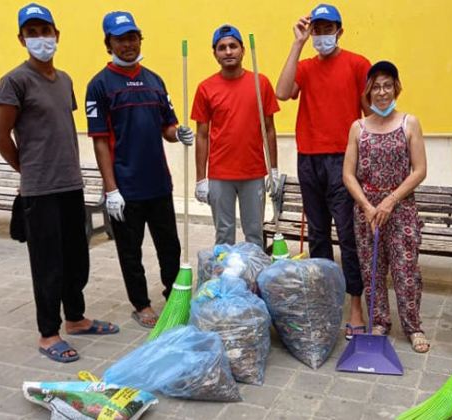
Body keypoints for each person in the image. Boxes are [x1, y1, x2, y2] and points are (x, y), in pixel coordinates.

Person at [0, 3, 119, 363]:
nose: (40, 38)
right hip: (40, 190)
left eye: (45, 31)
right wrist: (26, 170)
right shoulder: (14, 81)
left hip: (70, 184)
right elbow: (0, 135)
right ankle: (49, 333)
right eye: (32, 33)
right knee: (48, 264)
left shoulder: (64, 80)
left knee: (76, 258)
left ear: (56, 35)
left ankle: (76, 319)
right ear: (22, 38)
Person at [85, 11, 194, 328]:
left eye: (133, 37)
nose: (128, 44)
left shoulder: (155, 80)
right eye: (120, 38)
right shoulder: (100, 85)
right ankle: (141, 304)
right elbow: (101, 142)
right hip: (125, 188)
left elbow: (168, 127)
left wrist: (179, 133)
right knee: (130, 252)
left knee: (170, 247)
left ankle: (175, 295)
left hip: (159, 183)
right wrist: (111, 189)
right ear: (109, 43)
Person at [276, 3, 370, 339]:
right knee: (317, 234)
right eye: (317, 29)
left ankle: (356, 305)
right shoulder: (304, 66)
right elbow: (282, 92)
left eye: (328, 29)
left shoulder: (358, 64)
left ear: (340, 31)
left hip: (343, 159)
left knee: (348, 236)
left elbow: (370, 113)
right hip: (309, 158)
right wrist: (297, 43)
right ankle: (324, 298)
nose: (322, 35)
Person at [343, 61, 429, 352]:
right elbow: (348, 174)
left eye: (387, 85)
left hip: (401, 210)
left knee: (406, 270)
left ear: (396, 88)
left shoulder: (409, 123)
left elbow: (419, 170)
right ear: (368, 91)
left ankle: (413, 326)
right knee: (372, 270)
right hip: (367, 212)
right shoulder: (358, 127)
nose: (382, 92)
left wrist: (391, 200)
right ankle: (379, 321)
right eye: (376, 86)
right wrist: (368, 207)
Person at [191, 24, 279, 247]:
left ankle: (254, 279)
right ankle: (224, 280)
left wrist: (274, 169)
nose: (228, 51)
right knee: (224, 235)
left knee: (254, 234)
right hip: (220, 174)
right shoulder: (205, 88)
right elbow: (202, 135)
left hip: (254, 172)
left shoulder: (261, 83)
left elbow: (269, 128)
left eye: (233, 46)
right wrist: (201, 178)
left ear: (242, 50)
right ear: (215, 54)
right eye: (222, 48)